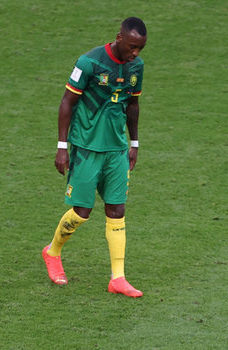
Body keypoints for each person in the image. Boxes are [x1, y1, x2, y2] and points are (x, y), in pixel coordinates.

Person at [41, 17, 147, 298]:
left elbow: (133, 104)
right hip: (86, 146)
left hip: (116, 149)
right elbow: (67, 102)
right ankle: (52, 253)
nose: (135, 53)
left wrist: (133, 142)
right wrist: (62, 146)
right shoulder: (89, 62)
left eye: (141, 48)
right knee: (82, 212)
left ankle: (118, 278)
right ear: (119, 38)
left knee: (117, 210)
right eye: (132, 46)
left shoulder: (136, 67)